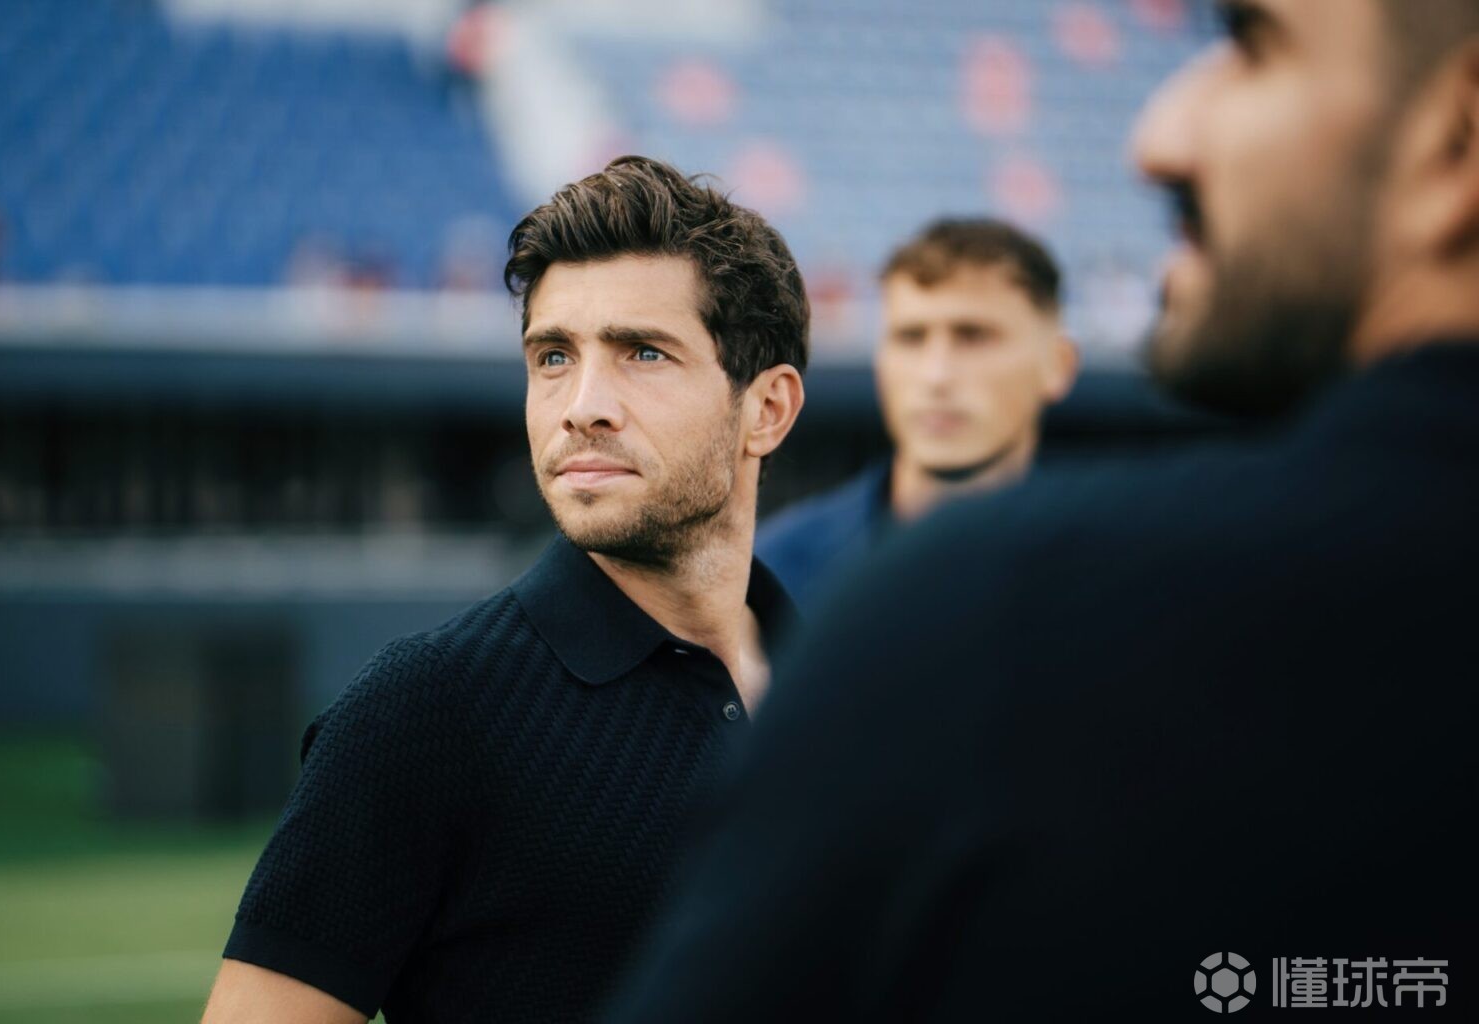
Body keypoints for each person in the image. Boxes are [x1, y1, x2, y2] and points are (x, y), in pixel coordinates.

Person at [608, 2, 1479, 1019]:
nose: (1155, 139)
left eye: (1251, 44)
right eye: (913, 337)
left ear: (1459, 136)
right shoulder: (793, 577)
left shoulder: (985, 608)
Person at [200, 155, 807, 1024]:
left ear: (768, 410)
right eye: (553, 356)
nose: (582, 406)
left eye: (643, 353)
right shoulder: (423, 710)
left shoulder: (841, 681)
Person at [757, 218, 1078, 606]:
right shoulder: (777, 572)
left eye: (974, 336)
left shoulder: (1115, 570)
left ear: (1057, 365)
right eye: (911, 337)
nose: (935, 375)